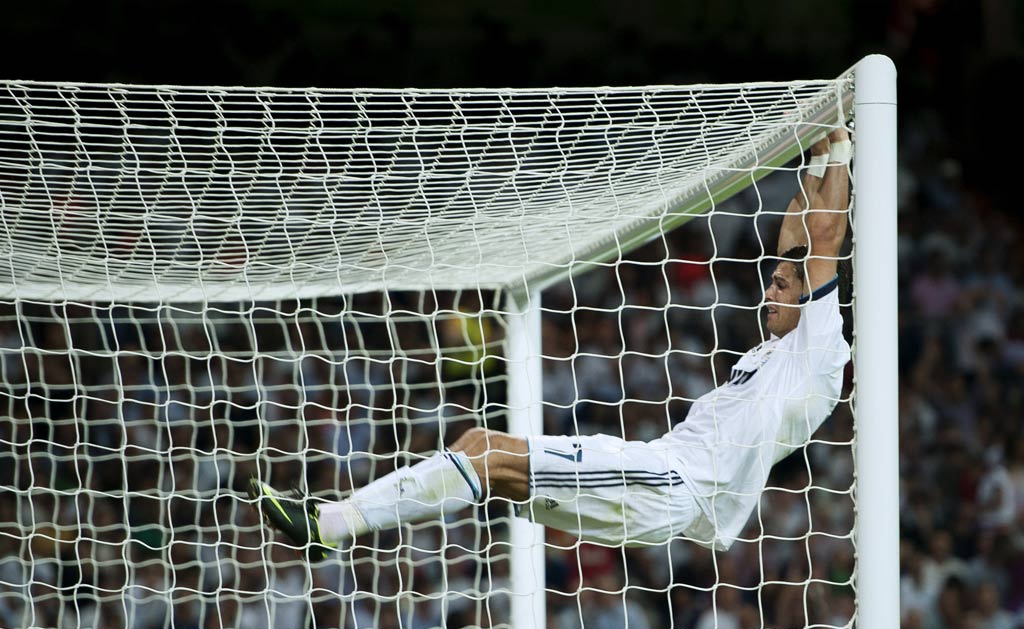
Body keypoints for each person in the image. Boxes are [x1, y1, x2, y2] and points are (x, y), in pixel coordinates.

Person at [249, 127, 853, 561]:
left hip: (672, 481)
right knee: (488, 459)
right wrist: (820, 147)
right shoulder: (778, 351)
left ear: (814, 296)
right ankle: (333, 523)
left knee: (486, 453)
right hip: (661, 486)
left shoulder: (819, 346)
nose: (767, 290)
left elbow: (823, 236)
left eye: (781, 285)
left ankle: (332, 524)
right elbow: (797, 233)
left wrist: (846, 147)